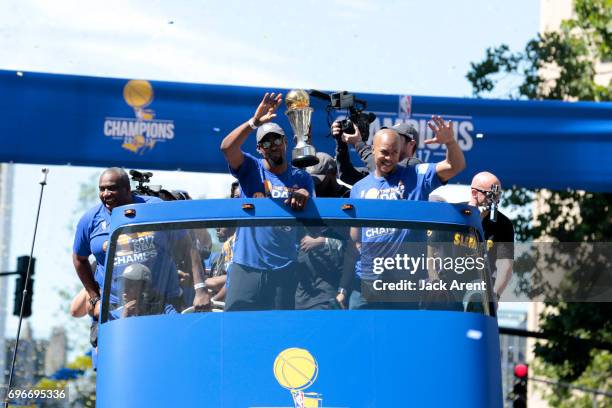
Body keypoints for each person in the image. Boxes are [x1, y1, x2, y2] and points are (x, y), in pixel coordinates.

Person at [348, 116, 466, 309]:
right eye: (384, 152)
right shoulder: (359, 188)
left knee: (399, 337)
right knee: (360, 337)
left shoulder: (416, 175)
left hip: (403, 283)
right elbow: (355, 237)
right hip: (366, 281)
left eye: (394, 153)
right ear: (372, 150)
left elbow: (456, 166)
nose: (389, 158)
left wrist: (450, 142)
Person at [72, 167, 210, 320]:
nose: (106, 194)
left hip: (162, 304)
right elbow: (79, 259)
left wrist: (200, 289)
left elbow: (188, 247)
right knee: (100, 345)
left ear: (127, 189)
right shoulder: (90, 220)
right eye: (102, 189)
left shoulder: (155, 208)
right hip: (113, 309)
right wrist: (95, 299)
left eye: (112, 189)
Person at [220, 92, 315, 311]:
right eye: (266, 141)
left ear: (285, 142)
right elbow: (227, 148)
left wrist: (306, 197)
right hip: (246, 266)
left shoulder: (302, 177)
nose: (272, 144)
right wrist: (254, 122)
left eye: (276, 139)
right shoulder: (250, 168)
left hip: (284, 267)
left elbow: (312, 225)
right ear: (259, 149)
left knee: (279, 334)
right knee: (237, 328)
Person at [469, 171, 514, 298]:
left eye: (497, 196)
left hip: (482, 291)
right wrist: (435, 281)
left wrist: (496, 295)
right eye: (490, 195)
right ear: (474, 193)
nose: (494, 201)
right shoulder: (457, 214)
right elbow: (432, 250)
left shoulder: (503, 224)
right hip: (450, 287)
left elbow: (506, 265)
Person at [334, 122, 422, 186]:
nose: (390, 138)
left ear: (411, 144)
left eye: (396, 136)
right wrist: (341, 142)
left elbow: (390, 176)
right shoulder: (378, 171)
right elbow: (346, 175)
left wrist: (359, 144)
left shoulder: (415, 166)